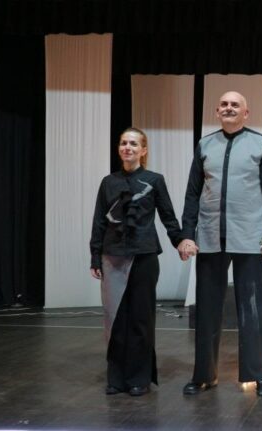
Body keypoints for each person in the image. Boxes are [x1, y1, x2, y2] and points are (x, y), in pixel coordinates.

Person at [179, 91, 262, 397]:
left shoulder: (261, 145)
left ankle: (260, 375)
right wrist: (187, 234)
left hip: (249, 236)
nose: (228, 108)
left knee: (252, 309)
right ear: (217, 111)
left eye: (234, 105)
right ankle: (204, 376)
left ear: (246, 113)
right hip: (210, 236)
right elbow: (192, 193)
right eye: (223, 104)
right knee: (207, 310)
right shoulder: (205, 145)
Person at [90, 127, 183, 396]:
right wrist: (95, 256)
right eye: (123, 143)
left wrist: (180, 241)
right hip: (112, 256)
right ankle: (116, 377)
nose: (127, 147)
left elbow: (168, 216)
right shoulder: (108, 182)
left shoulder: (155, 180)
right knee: (115, 318)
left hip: (144, 256)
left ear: (143, 150)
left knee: (141, 318)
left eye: (133, 144)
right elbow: (99, 221)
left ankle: (139, 378)